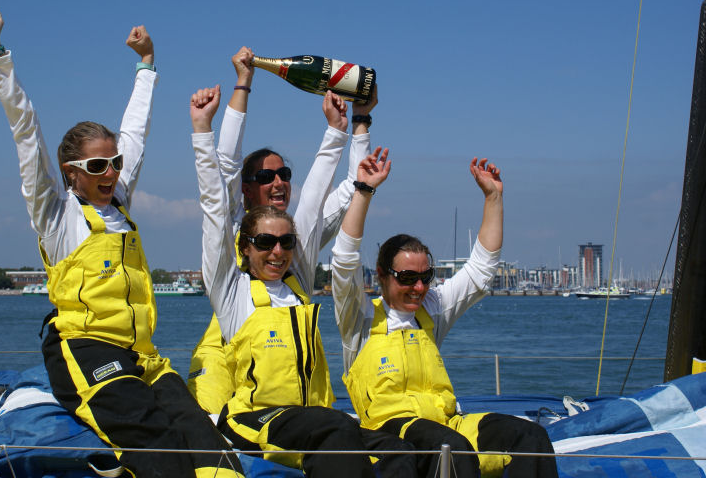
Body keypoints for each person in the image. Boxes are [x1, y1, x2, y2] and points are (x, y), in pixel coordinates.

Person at [0, 8, 243, 478]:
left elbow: (135, 132)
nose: (110, 173)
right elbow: (25, 132)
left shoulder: (119, 204)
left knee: (209, 446)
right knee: (156, 446)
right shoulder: (56, 217)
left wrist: (146, 64)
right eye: (97, 167)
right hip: (87, 351)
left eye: (113, 163)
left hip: (144, 355)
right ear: (71, 174)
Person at [191, 86, 415, 478]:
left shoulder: (298, 271)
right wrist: (202, 128)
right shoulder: (230, 286)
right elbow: (215, 194)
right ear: (243, 247)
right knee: (332, 430)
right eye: (265, 243)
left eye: (286, 243)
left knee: (398, 452)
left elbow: (319, 198)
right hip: (255, 415)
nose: (277, 251)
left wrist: (342, 129)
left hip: (312, 416)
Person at [331, 155, 559, 478]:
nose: (419, 287)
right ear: (382, 275)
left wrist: (493, 197)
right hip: (388, 433)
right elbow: (343, 260)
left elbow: (480, 271)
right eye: (407, 278)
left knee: (531, 436)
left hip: (446, 423)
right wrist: (363, 191)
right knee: (452, 450)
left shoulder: (431, 311)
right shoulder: (360, 318)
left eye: (427, 276)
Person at [187, 46, 377, 414]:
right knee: (208, 429)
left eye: (284, 175)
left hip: (284, 357)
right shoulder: (229, 226)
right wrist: (242, 85)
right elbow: (222, 169)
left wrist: (359, 120)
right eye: (264, 176)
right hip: (226, 339)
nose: (277, 251)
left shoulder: (299, 243)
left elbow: (354, 184)